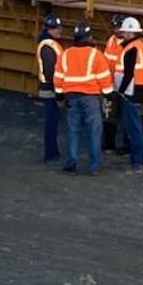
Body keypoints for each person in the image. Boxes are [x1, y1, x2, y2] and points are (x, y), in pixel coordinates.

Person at [54, 22, 113, 173]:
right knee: (94, 132)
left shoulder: (65, 54)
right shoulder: (96, 54)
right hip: (91, 98)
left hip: (72, 97)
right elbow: (104, 78)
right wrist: (108, 95)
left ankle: (71, 164)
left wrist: (60, 96)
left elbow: (58, 78)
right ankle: (94, 166)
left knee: (74, 131)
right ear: (89, 37)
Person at [112, 15, 143, 169]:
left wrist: (120, 91)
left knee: (133, 128)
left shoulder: (131, 49)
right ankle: (141, 156)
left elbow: (128, 74)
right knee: (135, 127)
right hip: (140, 90)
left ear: (130, 33)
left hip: (131, 92)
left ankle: (137, 160)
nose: (123, 35)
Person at [36, 13, 64, 162]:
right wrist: (58, 93)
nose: (59, 31)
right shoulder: (48, 46)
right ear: (49, 29)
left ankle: (52, 151)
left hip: (50, 88)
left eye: (60, 28)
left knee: (52, 122)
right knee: (51, 123)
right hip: (50, 89)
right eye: (56, 28)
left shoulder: (49, 43)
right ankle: (50, 152)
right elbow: (50, 71)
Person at [102, 14, 126, 154]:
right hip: (110, 85)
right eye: (115, 27)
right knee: (109, 116)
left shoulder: (129, 44)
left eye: (119, 27)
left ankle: (126, 146)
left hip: (125, 87)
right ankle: (109, 143)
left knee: (126, 119)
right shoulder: (111, 41)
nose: (117, 30)